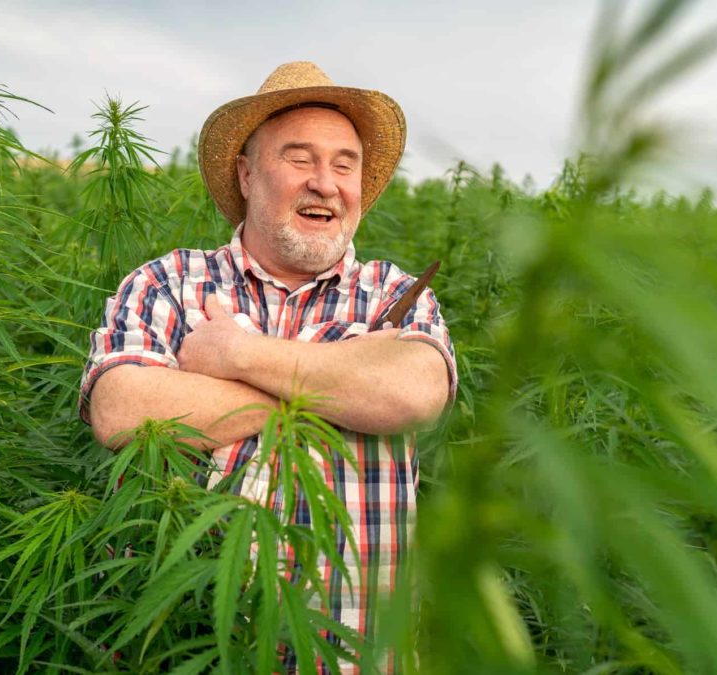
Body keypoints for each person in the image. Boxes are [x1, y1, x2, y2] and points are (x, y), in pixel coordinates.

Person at [78, 61, 456, 672]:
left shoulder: (394, 295)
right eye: (299, 159)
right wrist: (334, 390)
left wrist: (235, 356)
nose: (325, 183)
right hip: (186, 649)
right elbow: (122, 409)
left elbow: (411, 394)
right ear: (247, 174)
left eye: (343, 164)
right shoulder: (170, 283)